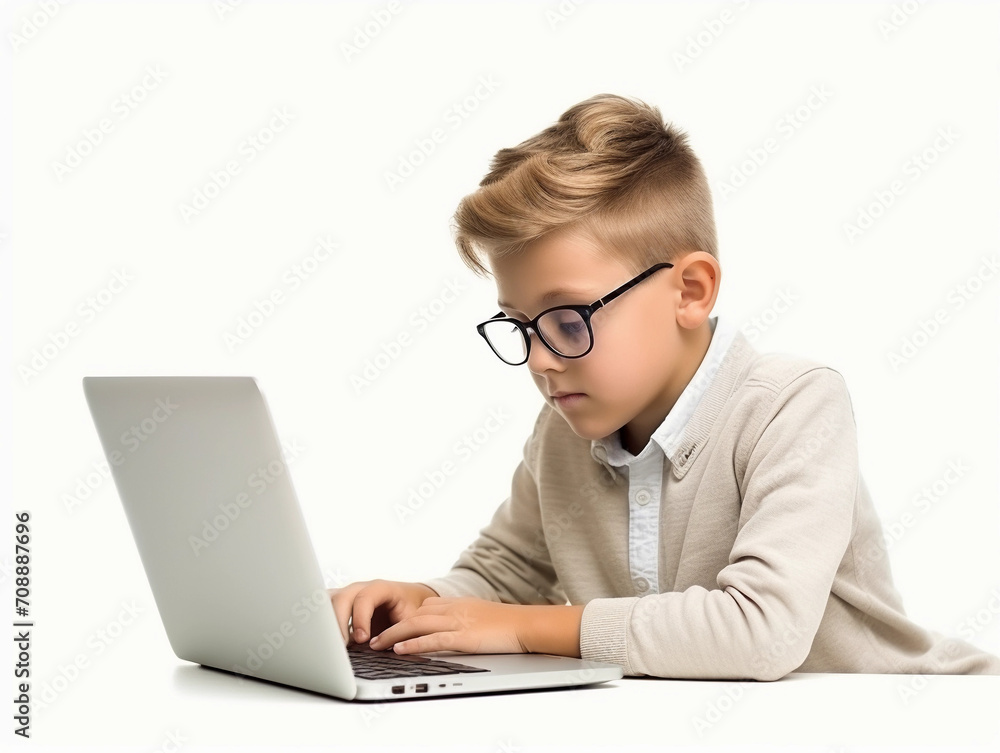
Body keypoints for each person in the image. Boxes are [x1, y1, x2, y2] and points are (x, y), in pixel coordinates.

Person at [329, 93, 1000, 679]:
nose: (538, 357)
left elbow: (761, 631)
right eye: (519, 325)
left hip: (909, 716)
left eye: (566, 319)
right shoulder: (563, 431)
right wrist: (416, 600)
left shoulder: (791, 406)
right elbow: (501, 576)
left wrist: (526, 626)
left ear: (690, 289)